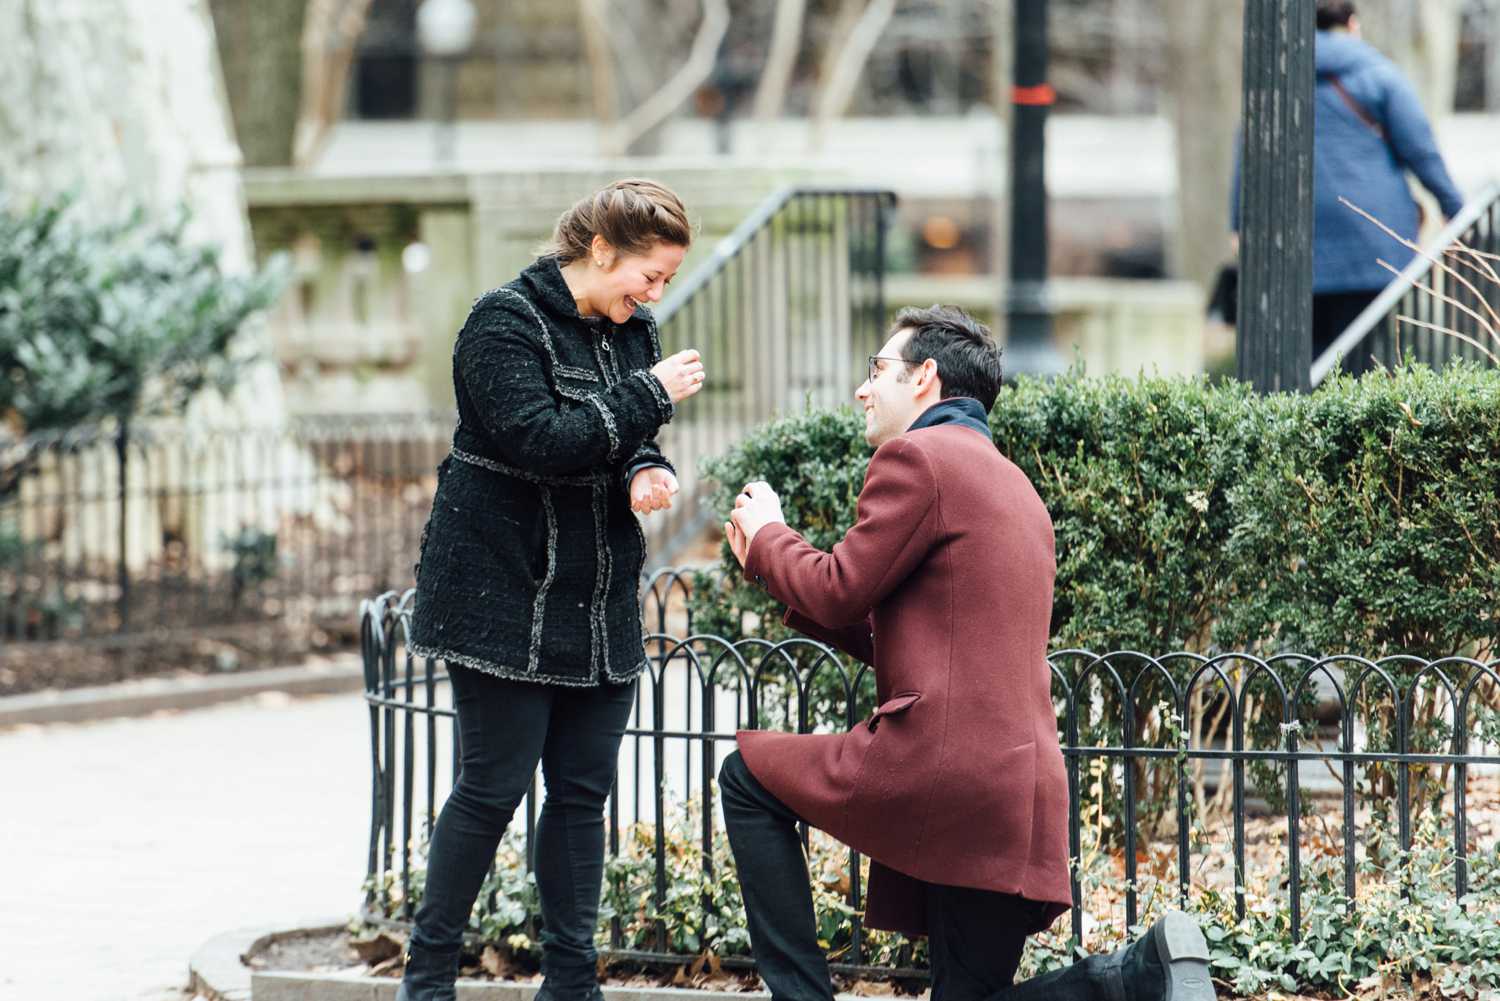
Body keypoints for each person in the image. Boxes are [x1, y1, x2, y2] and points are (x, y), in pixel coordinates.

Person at [720, 305, 1215, 1001]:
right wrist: (778, 571)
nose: (863, 389)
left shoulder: (918, 458)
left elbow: (838, 589)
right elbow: (921, 637)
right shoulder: (1015, 487)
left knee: (746, 774)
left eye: (877, 371)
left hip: (943, 770)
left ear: (925, 377)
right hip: (1019, 793)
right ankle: (1132, 980)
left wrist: (770, 536)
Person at [397, 179, 707, 1001]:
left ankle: (571, 983)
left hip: (597, 598)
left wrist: (650, 468)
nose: (656, 294)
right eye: (651, 274)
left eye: (669, 281)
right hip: (501, 594)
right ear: (601, 249)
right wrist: (649, 397)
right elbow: (540, 439)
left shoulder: (632, 329)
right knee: (492, 788)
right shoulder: (502, 323)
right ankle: (426, 977)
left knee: (580, 795)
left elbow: (625, 441)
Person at [1230, 0, 1464, 372]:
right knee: (1365, 362)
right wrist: (1456, 209)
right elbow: (1421, 152)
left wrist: (1238, 224)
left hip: (1292, 247)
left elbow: (1248, 154)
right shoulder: (1379, 76)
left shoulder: (1276, 80)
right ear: (1352, 24)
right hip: (1374, 244)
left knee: (1304, 367)